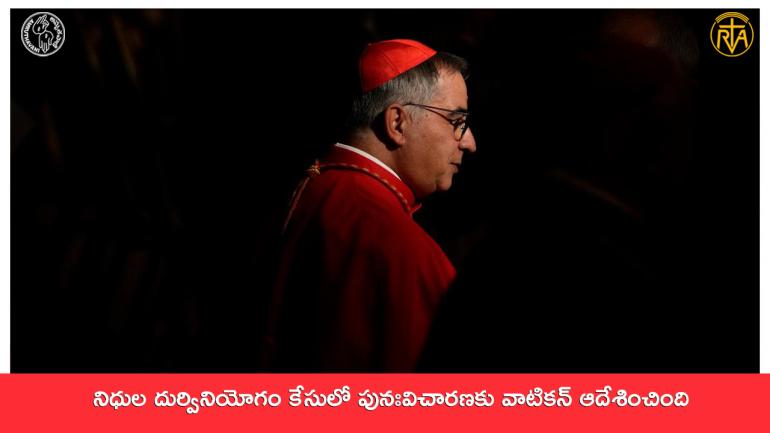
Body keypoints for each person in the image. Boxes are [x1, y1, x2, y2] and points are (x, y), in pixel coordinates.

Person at [263, 39, 477, 372]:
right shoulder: (401, 245)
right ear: (397, 123)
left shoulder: (318, 186)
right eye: (456, 122)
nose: (469, 142)